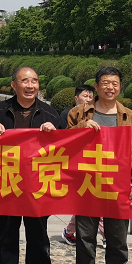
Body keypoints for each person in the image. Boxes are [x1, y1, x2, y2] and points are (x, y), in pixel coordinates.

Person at [66, 67, 132, 264]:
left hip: (117, 187)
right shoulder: (78, 113)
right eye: (105, 83)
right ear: (96, 86)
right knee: (85, 238)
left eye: (115, 83)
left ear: (120, 87)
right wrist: (81, 128)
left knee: (117, 239)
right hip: (86, 185)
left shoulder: (130, 117)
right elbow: (63, 143)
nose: (110, 87)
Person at [0, 67, 60, 264]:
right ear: (13, 85)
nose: (30, 85)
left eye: (34, 81)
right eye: (24, 81)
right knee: (6, 232)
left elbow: (64, 148)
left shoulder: (49, 113)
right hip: (8, 181)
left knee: (38, 233)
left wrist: (54, 133)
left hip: (38, 184)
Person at [58, 84, 97, 245]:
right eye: (84, 96)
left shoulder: (96, 113)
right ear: (76, 98)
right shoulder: (68, 114)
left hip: (93, 161)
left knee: (90, 200)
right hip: (75, 163)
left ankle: (70, 231)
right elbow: (63, 135)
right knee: (87, 199)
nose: (88, 99)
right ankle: (105, 234)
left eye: (90, 96)